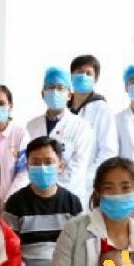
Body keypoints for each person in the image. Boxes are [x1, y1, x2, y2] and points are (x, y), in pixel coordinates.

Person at [3, 136, 82, 266]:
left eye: (48, 162)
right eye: (36, 163)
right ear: (27, 167)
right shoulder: (15, 204)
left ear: (60, 166)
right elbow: (11, 255)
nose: (42, 168)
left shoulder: (72, 203)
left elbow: (79, 253)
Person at [26, 67, 94, 207]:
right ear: (43, 93)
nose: (55, 92)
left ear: (69, 95)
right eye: (50, 87)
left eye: (60, 88)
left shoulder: (81, 126)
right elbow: (29, 162)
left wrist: (53, 190)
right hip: (35, 196)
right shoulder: (31, 126)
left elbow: (78, 166)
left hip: (69, 196)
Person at [69, 54, 118, 189]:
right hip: (62, 182)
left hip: (88, 184)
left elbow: (108, 152)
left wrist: (87, 178)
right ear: (71, 77)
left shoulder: (102, 109)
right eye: (79, 72)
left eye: (88, 73)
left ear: (95, 79)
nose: (83, 76)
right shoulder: (64, 109)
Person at [0, 84, 29, 201]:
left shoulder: (20, 135)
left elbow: (24, 173)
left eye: (1, 103)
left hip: (14, 201)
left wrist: (8, 201)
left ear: (10, 106)